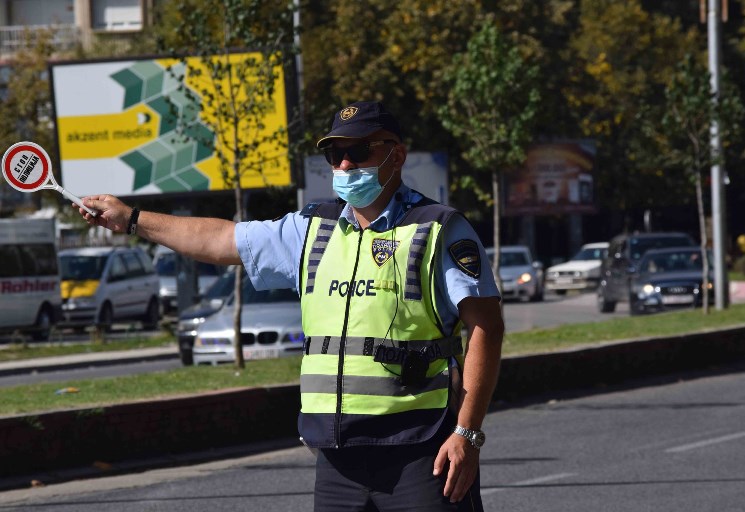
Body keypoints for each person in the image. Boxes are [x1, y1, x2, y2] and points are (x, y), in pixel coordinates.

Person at [75, 101, 504, 511]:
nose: (345, 165)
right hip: (337, 459)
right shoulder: (312, 229)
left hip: (421, 450)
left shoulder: (438, 228)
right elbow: (220, 240)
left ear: (397, 155)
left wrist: (467, 433)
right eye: (336, 154)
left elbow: (486, 326)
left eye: (358, 151)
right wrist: (131, 219)